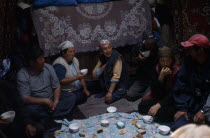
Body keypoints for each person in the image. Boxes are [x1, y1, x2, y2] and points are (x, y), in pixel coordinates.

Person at [17, 47, 76, 131]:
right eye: (40, 59)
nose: (43, 61)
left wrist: (55, 101)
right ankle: (54, 117)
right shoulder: (22, 74)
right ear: (31, 62)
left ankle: (47, 118)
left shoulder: (48, 67)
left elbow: (57, 86)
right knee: (28, 110)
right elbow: (25, 98)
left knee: (71, 97)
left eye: (43, 58)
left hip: (52, 101)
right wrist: (45, 101)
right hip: (38, 105)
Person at [171, 34, 210, 131]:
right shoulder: (188, 61)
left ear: (200, 50)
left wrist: (203, 111)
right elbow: (180, 85)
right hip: (192, 105)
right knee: (177, 127)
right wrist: (183, 108)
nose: (189, 51)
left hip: (207, 107)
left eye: (191, 49)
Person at [138, 46, 180, 122]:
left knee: (164, 113)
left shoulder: (177, 71)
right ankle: (156, 114)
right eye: (162, 61)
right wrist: (161, 77)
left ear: (172, 60)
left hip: (171, 101)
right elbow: (155, 93)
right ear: (159, 61)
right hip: (159, 97)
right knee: (141, 106)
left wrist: (158, 105)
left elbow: (174, 94)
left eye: (168, 61)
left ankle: (157, 115)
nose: (165, 64)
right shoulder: (156, 68)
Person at [53, 41, 91, 106]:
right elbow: (61, 81)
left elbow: (80, 76)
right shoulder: (59, 64)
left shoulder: (74, 60)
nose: (73, 54)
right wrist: (77, 77)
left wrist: (85, 89)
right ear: (63, 53)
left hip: (77, 87)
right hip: (67, 91)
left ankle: (82, 95)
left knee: (92, 84)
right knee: (75, 97)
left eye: (73, 51)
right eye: (70, 52)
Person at [92, 39, 128, 104]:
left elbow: (116, 77)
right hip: (108, 83)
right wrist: (102, 68)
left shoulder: (117, 57)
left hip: (119, 85)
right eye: (105, 49)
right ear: (102, 51)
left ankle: (116, 92)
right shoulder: (102, 57)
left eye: (109, 48)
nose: (108, 50)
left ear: (111, 47)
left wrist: (110, 92)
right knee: (93, 83)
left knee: (108, 100)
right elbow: (94, 74)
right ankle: (105, 90)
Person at [127, 31, 159, 101]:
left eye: (152, 42)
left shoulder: (157, 47)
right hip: (142, 78)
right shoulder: (138, 47)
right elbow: (130, 61)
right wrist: (138, 59)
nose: (150, 44)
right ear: (144, 42)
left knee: (146, 99)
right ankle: (144, 93)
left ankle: (146, 93)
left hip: (153, 78)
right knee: (130, 95)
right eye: (148, 43)